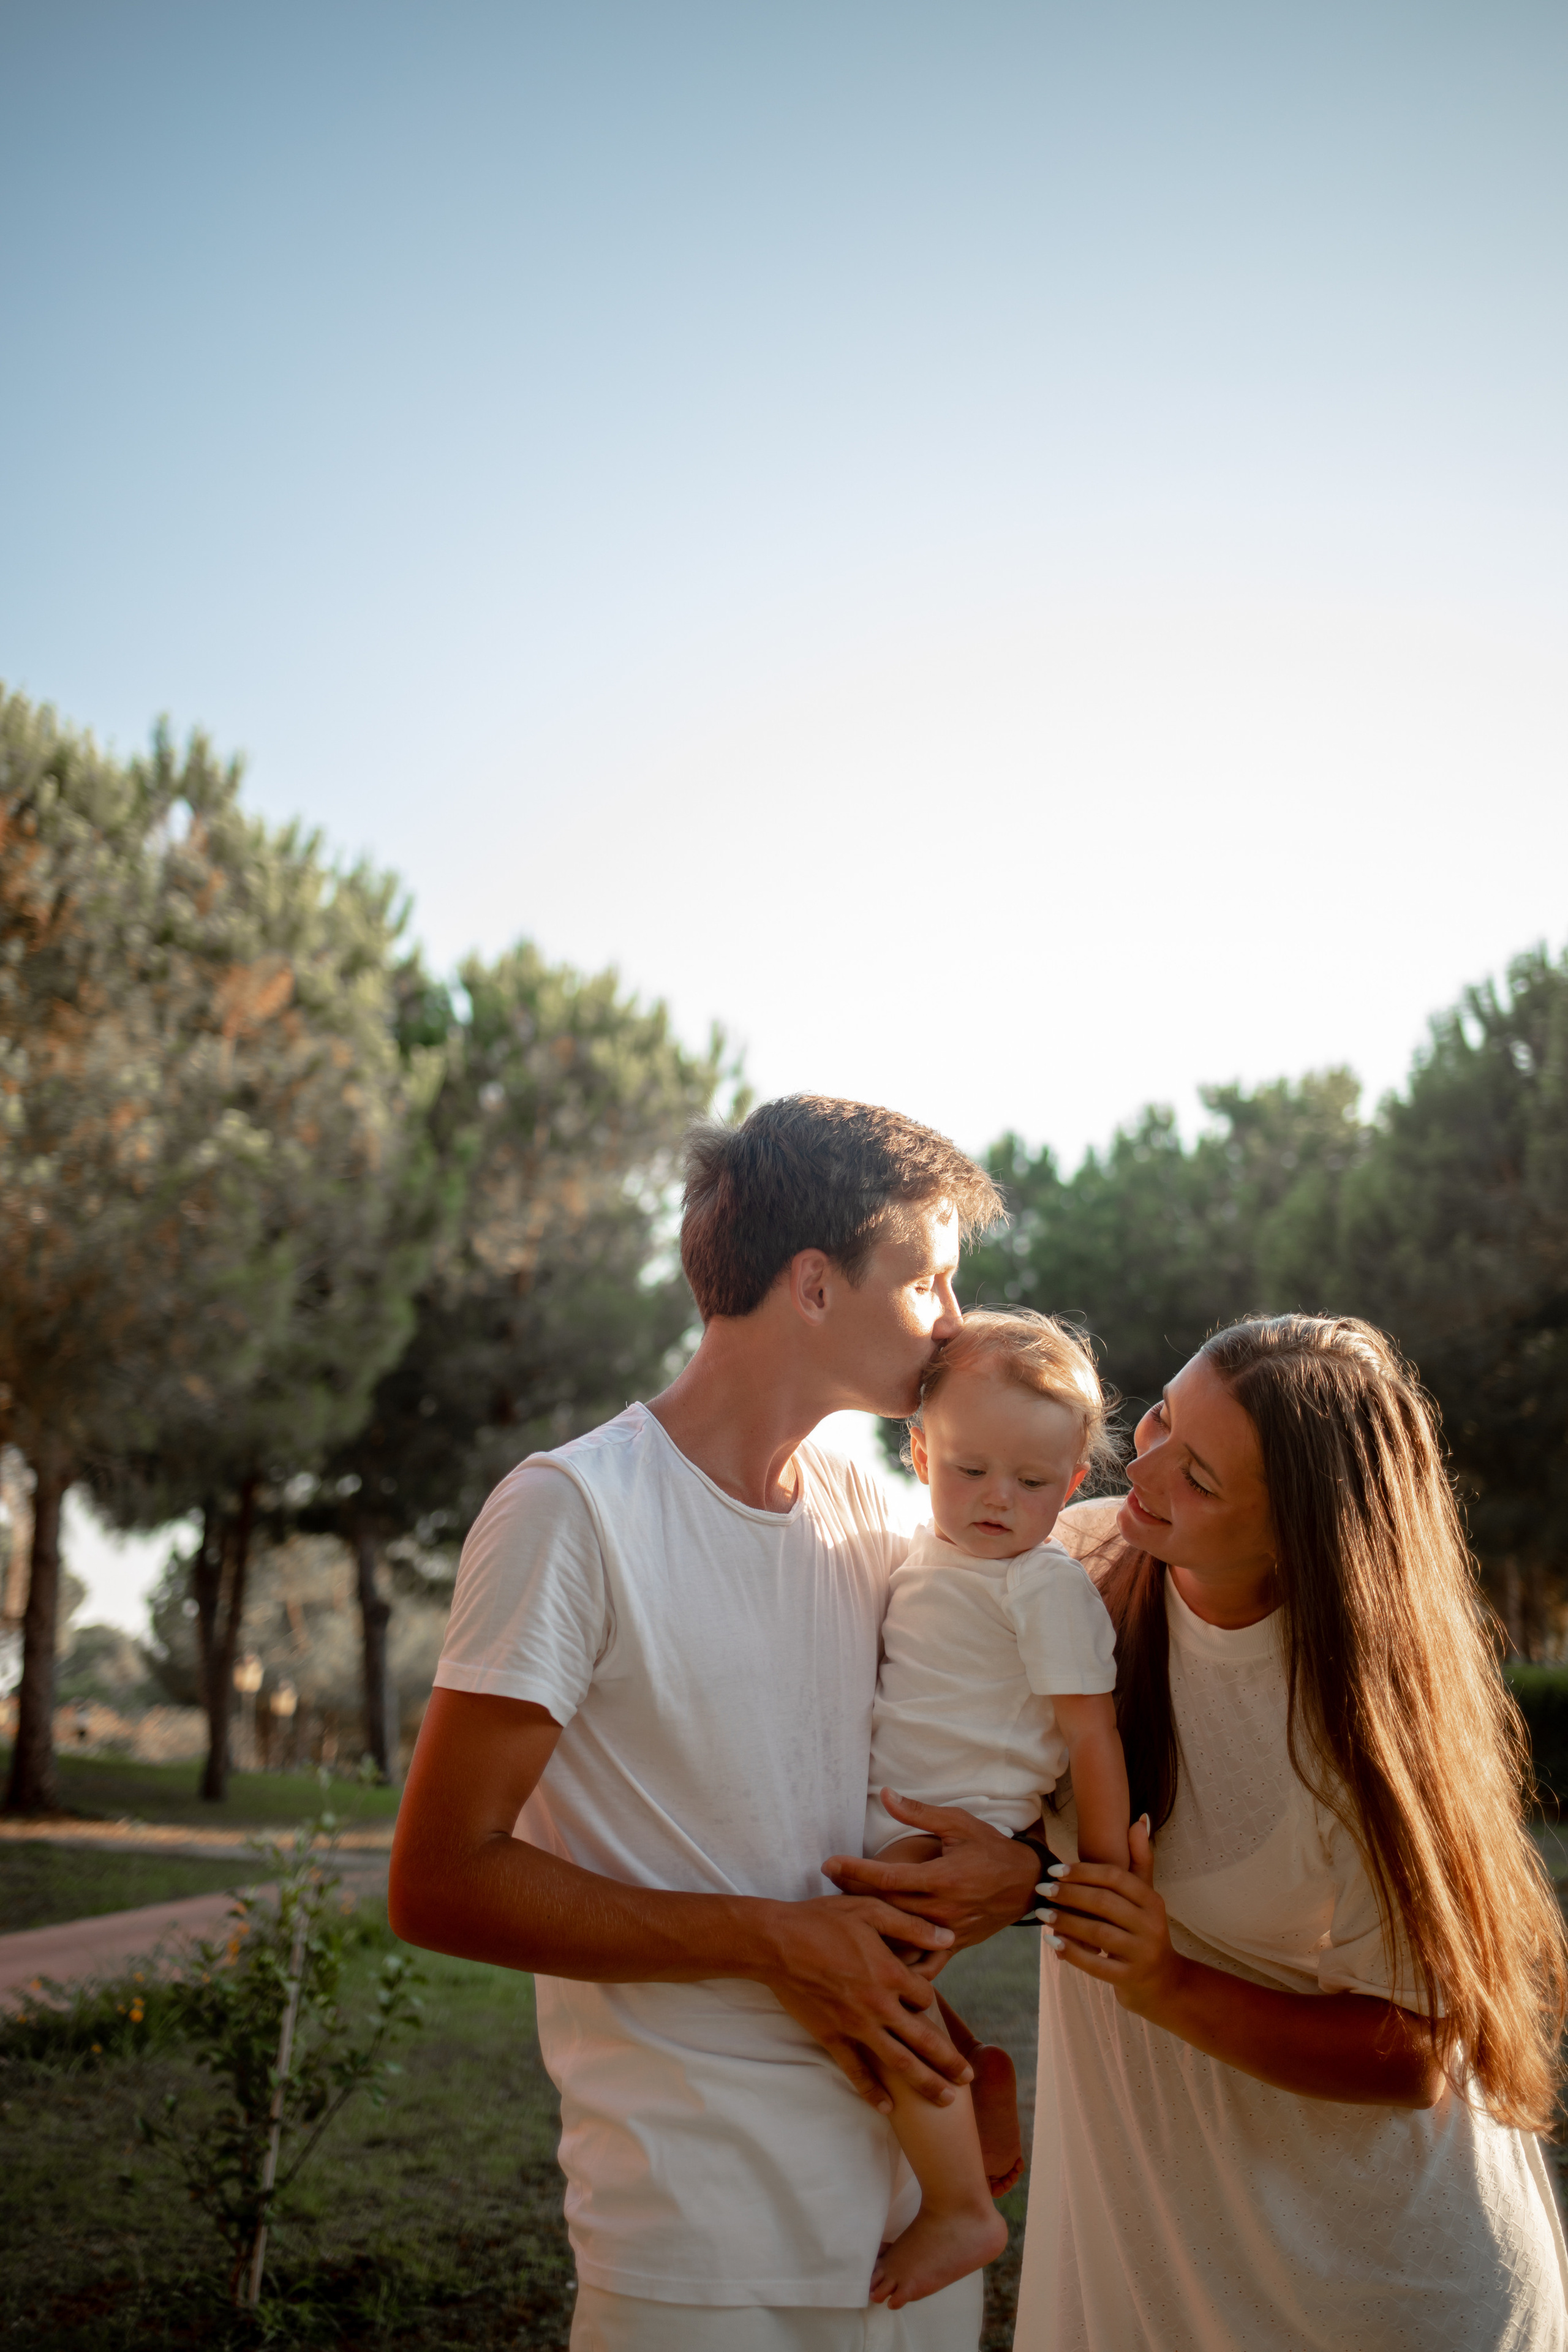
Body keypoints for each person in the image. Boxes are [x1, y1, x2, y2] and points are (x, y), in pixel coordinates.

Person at [388, 1096, 1044, 2352]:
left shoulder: (880, 1509)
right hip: (698, 2248)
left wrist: (1020, 1874)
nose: (954, 1324)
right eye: (927, 1283)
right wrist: (771, 1942)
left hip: (918, 2231)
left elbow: (991, 1725)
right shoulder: (570, 1513)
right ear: (811, 1285)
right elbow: (434, 1883)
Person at [1011, 1314, 1568, 2350]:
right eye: (1165, 1419)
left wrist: (1165, 1982)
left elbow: (1417, 2054)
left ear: (1298, 1535)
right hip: (1167, 2251)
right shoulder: (1081, 1560)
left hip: (1379, 2290)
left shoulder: (1360, 1723)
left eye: (1204, 1478)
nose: (1151, 1468)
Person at [855, 1309, 1129, 2313]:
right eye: (969, 1471)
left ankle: (963, 2205)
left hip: (954, 1825)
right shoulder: (923, 1553)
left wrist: (1102, 1878)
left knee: (871, 1995)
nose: (995, 1502)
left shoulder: (1041, 1585)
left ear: (1073, 1485)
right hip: (893, 1816)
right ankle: (973, 2074)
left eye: (1030, 1483)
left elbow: (1091, 1738)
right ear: (920, 1451)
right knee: (875, 1995)